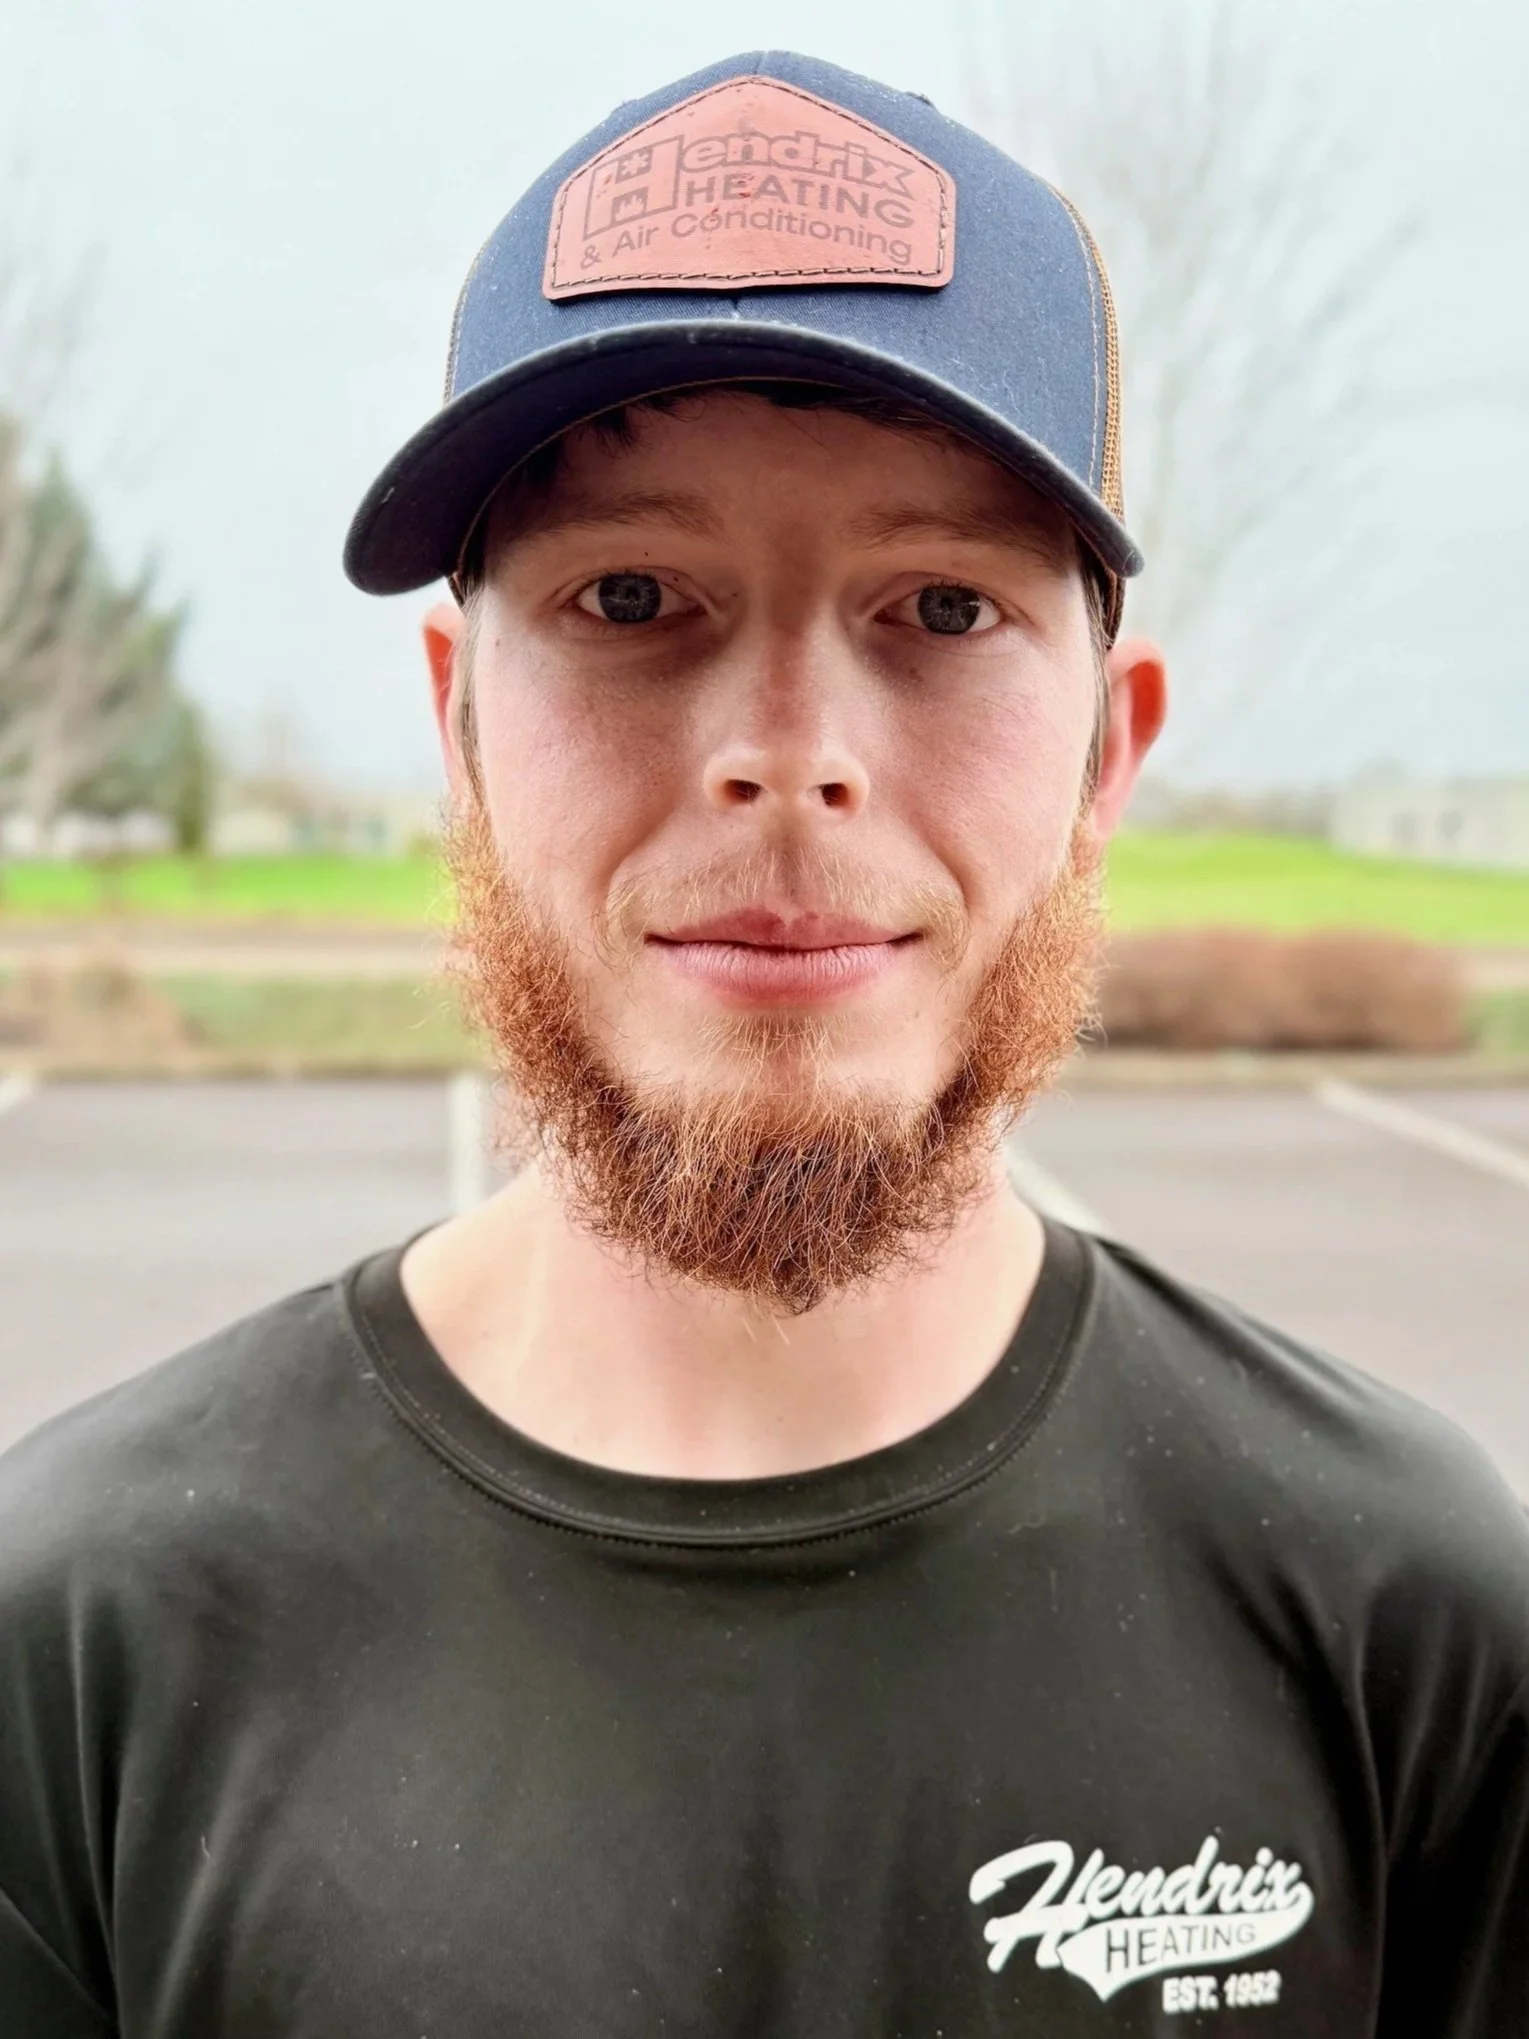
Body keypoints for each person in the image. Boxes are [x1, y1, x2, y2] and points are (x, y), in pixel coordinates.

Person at [0, 51, 1524, 2039]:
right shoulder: (85, 1637)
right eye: (631, 593)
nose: (787, 749)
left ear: (1105, 750)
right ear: (456, 723)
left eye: (942, 608)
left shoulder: (1409, 1615)